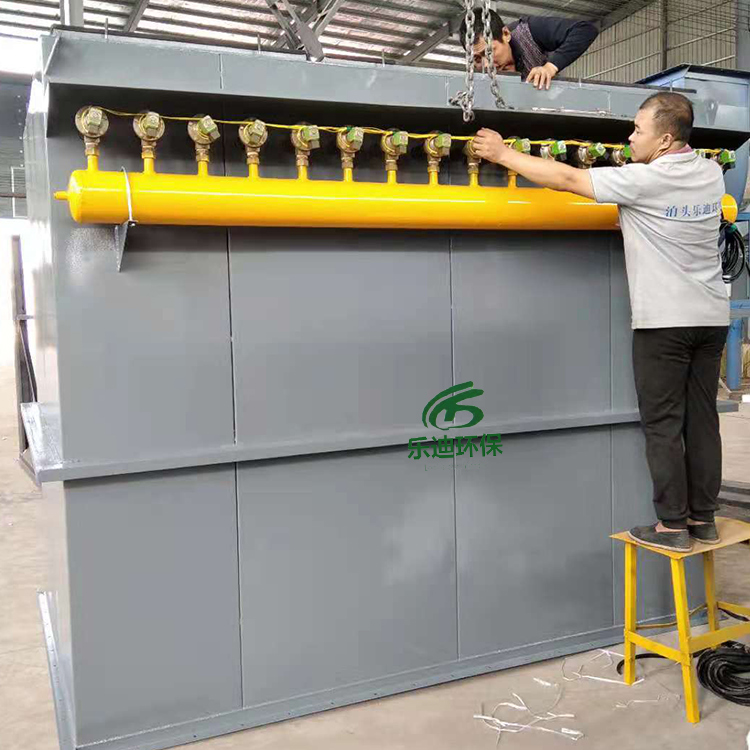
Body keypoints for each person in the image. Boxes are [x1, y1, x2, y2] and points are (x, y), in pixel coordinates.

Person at [472, 92, 730, 552]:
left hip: (664, 323)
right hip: (711, 318)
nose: (629, 137)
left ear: (665, 140)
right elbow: (668, 217)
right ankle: (702, 518)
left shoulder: (644, 180)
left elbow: (568, 178)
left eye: (638, 130)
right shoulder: (711, 174)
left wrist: (503, 154)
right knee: (702, 419)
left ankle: (672, 527)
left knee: (663, 424)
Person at [459, 9, 599, 90]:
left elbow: (585, 30)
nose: (485, 65)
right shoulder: (475, 80)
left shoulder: (528, 32)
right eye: (477, 59)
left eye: (489, 52)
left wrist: (550, 67)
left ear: (506, 34)